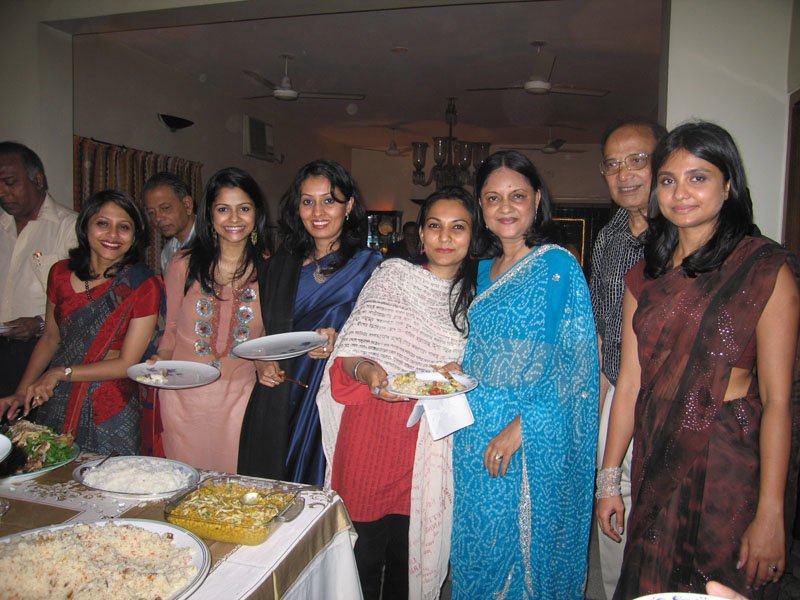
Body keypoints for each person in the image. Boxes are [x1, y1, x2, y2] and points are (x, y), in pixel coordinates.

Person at [596, 121, 800, 598]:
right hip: (654, 456)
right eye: (668, 180)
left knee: (716, 587)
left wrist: (771, 513)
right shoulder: (643, 274)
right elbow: (629, 384)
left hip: (729, 468)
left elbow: (778, 401)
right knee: (651, 585)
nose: (680, 192)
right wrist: (608, 480)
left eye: (698, 177)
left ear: (728, 185)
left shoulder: (765, 269)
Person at [316, 187, 478, 600]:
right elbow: (347, 357)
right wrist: (368, 370)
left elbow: (486, 374)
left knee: (410, 564)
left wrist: (460, 372)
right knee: (361, 557)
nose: (445, 237)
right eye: (435, 226)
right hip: (369, 434)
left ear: (473, 234)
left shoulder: (479, 298)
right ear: (420, 235)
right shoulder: (392, 277)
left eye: (457, 227)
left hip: (428, 447)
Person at [450, 150, 599, 599]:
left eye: (517, 195)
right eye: (493, 198)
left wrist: (525, 427)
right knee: (478, 542)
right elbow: (480, 348)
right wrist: (457, 369)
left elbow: (578, 367)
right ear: (481, 207)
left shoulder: (558, 267)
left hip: (530, 432)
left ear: (537, 199)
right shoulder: (476, 270)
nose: (506, 207)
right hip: (472, 430)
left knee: (526, 549)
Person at [238, 160, 382, 485]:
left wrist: (340, 339)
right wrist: (260, 361)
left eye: (329, 200)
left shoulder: (372, 268)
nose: (318, 211)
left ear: (350, 206)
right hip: (277, 394)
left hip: (330, 394)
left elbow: (382, 339)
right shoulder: (278, 266)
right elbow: (259, 329)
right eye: (308, 201)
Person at [0, 190, 162, 454]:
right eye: (102, 223)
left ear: (134, 238)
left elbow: (127, 364)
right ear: (85, 226)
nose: (112, 235)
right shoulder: (60, 274)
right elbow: (51, 338)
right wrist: (21, 392)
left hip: (110, 406)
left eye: (124, 227)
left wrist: (59, 373)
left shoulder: (142, 284)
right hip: (57, 399)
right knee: (53, 479)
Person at [590, 118, 666, 599]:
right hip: (620, 392)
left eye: (638, 159)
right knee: (611, 505)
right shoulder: (609, 238)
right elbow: (603, 335)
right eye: (614, 165)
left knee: (667, 519)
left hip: (680, 399)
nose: (626, 174)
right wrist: (597, 408)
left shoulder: (688, 229)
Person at [152, 167, 271, 473]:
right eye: (223, 209)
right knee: (184, 483)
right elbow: (172, 328)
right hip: (182, 397)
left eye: (243, 208)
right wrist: (159, 361)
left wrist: (264, 364)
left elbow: (267, 336)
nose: (233, 219)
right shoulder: (182, 265)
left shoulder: (270, 271)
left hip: (239, 398)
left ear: (256, 214)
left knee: (231, 487)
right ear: (209, 215)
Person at [0, 142, 77, 397]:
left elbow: (83, 301)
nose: (2, 192)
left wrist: (41, 324)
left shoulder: (69, 227)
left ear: (38, 179)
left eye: (10, 182)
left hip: (38, 350)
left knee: (27, 431)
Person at [142, 172, 196, 274]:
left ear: (187, 205)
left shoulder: (217, 241)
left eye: (165, 208)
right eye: (151, 213)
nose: (157, 218)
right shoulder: (167, 253)